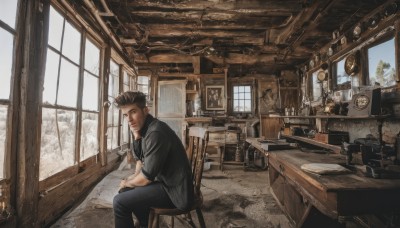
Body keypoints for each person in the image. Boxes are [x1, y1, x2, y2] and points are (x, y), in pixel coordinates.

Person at [113, 91, 194, 228]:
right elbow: (140, 160)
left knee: (119, 201)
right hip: (165, 182)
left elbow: (146, 178)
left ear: (145, 110)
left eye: (133, 112)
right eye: (126, 115)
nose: (129, 119)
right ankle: (147, 224)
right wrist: (136, 136)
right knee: (124, 192)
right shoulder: (146, 128)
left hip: (176, 191)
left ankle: (146, 223)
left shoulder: (156, 132)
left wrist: (128, 182)